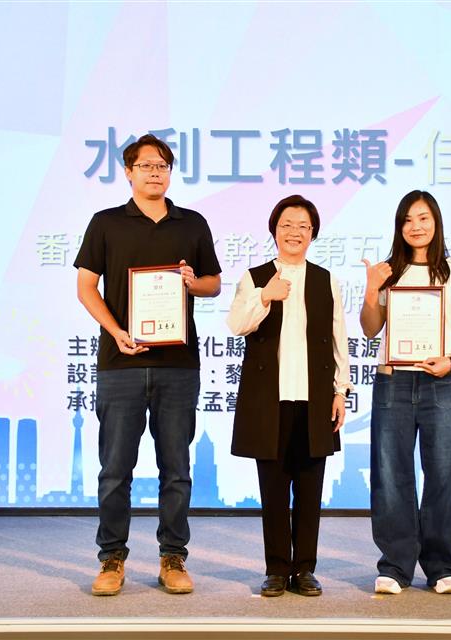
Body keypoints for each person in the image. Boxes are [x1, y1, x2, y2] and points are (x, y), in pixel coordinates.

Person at [74, 134, 222, 596]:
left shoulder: (192, 223)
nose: (155, 173)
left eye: (162, 166)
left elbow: (214, 284)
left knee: (176, 469)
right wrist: (116, 331)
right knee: (115, 470)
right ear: (129, 172)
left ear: (170, 173)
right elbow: (85, 287)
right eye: (146, 165)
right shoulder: (105, 223)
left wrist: (192, 283)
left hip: (178, 364)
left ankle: (172, 558)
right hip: (120, 362)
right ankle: (111, 559)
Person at [227, 195, 352, 597]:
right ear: (274, 230)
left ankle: (305, 569)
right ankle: (277, 569)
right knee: (274, 490)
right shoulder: (255, 277)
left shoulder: (325, 279)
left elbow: (338, 338)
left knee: (311, 490)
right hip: (271, 401)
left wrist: (341, 390)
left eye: (302, 226)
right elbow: (236, 324)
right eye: (286, 225)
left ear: (312, 233)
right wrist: (265, 296)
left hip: (314, 400)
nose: (294, 232)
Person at [360, 190, 451, 595]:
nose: (416, 226)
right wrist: (371, 289)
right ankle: (395, 566)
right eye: (408, 219)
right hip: (393, 381)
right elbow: (370, 328)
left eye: (423, 218)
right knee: (391, 475)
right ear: (399, 227)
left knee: (443, 474)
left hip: (441, 382)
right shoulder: (388, 272)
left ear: (436, 222)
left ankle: (443, 566)